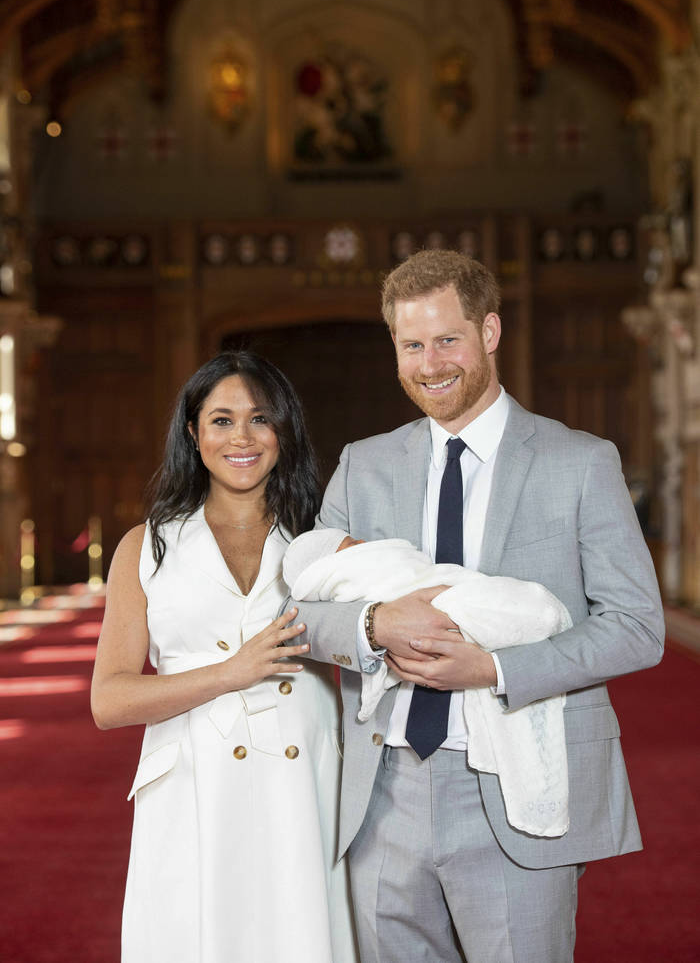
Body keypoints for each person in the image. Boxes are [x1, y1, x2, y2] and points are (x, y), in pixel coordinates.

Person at [288, 251, 665, 963]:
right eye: (411, 345)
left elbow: (637, 627)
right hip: (383, 789)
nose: (430, 363)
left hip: (516, 782)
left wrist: (492, 667)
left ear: (489, 332)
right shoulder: (363, 464)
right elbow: (300, 611)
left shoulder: (580, 461)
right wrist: (375, 624)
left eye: (447, 339)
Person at [91, 350, 358, 963]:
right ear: (193, 432)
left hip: (306, 784)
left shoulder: (324, 540)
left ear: (283, 430)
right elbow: (109, 701)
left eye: (261, 419)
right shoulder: (148, 546)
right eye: (221, 420)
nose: (242, 437)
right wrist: (228, 673)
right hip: (191, 788)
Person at [283, 527, 573, 838]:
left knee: (512, 607)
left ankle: (535, 613)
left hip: (487, 767)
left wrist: (495, 669)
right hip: (386, 775)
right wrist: (375, 624)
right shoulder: (353, 483)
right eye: (353, 545)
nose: (365, 544)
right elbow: (295, 617)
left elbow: (629, 620)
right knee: (499, 610)